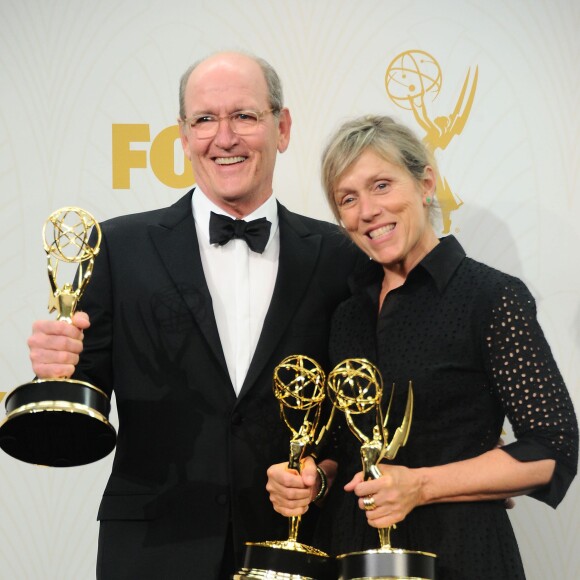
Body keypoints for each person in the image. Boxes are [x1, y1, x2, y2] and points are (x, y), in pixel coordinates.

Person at [26, 51, 364, 579]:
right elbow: (71, 434)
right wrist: (56, 376)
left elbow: (355, 414)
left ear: (283, 127)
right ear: (182, 137)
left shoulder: (339, 256)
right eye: (204, 119)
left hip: (294, 550)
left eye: (244, 116)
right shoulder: (116, 247)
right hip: (152, 550)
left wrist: (319, 479)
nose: (223, 138)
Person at [266, 115, 579, 579]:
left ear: (426, 183)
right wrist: (313, 479)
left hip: (461, 554)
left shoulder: (490, 296)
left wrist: (421, 486)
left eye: (382, 185)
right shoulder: (347, 314)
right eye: (347, 199)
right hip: (353, 555)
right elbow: (342, 446)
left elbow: (552, 448)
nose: (367, 210)